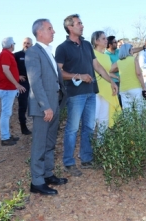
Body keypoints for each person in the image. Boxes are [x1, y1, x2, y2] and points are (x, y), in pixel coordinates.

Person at [55, 14, 117, 177]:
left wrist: (110, 81)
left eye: (81, 23)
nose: (82, 26)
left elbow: (96, 65)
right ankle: (68, 162)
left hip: (91, 92)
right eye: (79, 23)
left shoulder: (87, 46)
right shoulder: (62, 48)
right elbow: (58, 72)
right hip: (75, 94)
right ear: (70, 27)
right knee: (72, 128)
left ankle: (86, 159)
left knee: (89, 127)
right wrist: (79, 76)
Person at [26, 19, 68, 195]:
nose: (54, 31)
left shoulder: (48, 52)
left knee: (50, 142)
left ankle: (47, 174)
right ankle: (36, 182)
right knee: (40, 144)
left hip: (54, 103)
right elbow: (35, 82)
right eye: (50, 28)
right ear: (40, 32)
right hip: (43, 107)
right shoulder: (33, 52)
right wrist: (45, 107)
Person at [91, 31, 121, 141]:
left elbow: (107, 72)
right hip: (95, 89)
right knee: (93, 118)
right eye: (103, 38)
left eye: (106, 38)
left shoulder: (106, 57)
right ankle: (87, 147)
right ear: (96, 41)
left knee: (104, 118)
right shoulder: (91, 53)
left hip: (107, 88)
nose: (106, 41)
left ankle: (100, 144)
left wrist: (114, 81)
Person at [0, 37, 26, 146]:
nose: (14, 45)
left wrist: (17, 77)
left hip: (8, 88)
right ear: (11, 45)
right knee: (5, 113)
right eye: (13, 43)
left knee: (7, 113)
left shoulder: (7, 54)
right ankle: (4, 137)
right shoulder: (5, 54)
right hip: (7, 88)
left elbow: (8, 70)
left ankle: (7, 135)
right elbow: (5, 70)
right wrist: (17, 84)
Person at [105, 36, 142, 108]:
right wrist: (117, 76)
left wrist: (143, 48)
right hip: (113, 81)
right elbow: (107, 70)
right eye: (115, 42)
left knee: (127, 104)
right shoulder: (106, 55)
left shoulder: (119, 51)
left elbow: (132, 50)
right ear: (110, 44)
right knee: (119, 103)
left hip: (124, 80)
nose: (117, 43)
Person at [110, 43, 146, 111]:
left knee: (127, 112)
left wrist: (117, 77)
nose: (133, 51)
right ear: (128, 51)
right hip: (135, 88)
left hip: (124, 89)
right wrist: (144, 87)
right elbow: (138, 74)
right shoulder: (134, 59)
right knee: (139, 110)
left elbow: (108, 71)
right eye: (132, 49)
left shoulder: (118, 62)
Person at [14, 37, 33, 135]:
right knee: (23, 105)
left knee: (36, 105)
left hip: (34, 82)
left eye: (28, 43)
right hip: (23, 83)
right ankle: (23, 127)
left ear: (32, 45)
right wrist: (17, 76)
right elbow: (10, 68)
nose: (26, 44)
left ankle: (38, 126)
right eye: (25, 43)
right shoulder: (17, 55)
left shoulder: (35, 55)